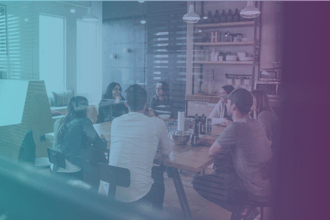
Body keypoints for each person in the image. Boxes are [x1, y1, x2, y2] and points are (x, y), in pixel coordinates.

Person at [193, 88, 272, 217]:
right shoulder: (255, 123)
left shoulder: (236, 127)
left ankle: (242, 209)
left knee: (198, 182)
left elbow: (212, 151)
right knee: (225, 164)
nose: (226, 104)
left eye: (228, 102)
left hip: (251, 188)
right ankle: (244, 206)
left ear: (234, 106)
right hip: (264, 183)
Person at [99, 84, 172, 210]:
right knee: (158, 173)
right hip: (137, 193)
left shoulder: (116, 122)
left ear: (126, 104)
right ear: (147, 103)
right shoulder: (156, 123)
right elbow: (167, 151)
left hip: (111, 188)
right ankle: (156, 214)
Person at [53, 96, 107, 180]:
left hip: (56, 167)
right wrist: (104, 140)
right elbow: (100, 145)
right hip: (71, 169)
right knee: (98, 158)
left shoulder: (59, 122)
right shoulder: (84, 122)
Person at [250, 89, 279, 155]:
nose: (247, 101)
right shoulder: (264, 113)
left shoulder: (263, 115)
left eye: (250, 99)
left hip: (273, 154)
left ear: (257, 101)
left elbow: (267, 142)